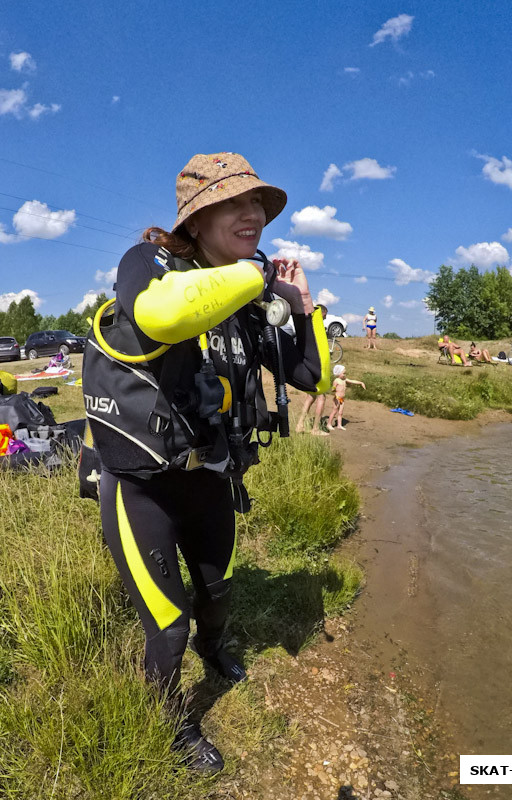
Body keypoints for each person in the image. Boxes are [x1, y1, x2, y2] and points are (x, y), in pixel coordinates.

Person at [81, 152, 330, 773]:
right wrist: (257, 276)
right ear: (196, 218)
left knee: (216, 590)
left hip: (212, 478)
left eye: (259, 206)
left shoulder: (250, 298)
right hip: (142, 488)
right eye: (235, 203)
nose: (253, 215)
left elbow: (307, 373)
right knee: (168, 625)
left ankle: (216, 649)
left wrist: (300, 306)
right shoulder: (150, 261)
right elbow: (161, 312)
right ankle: (170, 725)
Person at [296, 306, 330, 435]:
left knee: (310, 397)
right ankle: (315, 429)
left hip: (308, 365)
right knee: (321, 397)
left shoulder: (308, 325)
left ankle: (299, 425)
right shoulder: (317, 327)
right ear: (322, 313)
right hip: (317, 367)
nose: (325, 319)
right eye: (324, 316)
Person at [326, 364, 365, 431]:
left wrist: (360, 383)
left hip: (342, 399)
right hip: (337, 398)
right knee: (334, 411)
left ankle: (339, 425)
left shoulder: (344, 379)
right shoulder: (336, 380)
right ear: (339, 373)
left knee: (340, 412)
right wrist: (334, 389)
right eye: (343, 373)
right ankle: (329, 424)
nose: (345, 374)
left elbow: (352, 381)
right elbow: (333, 388)